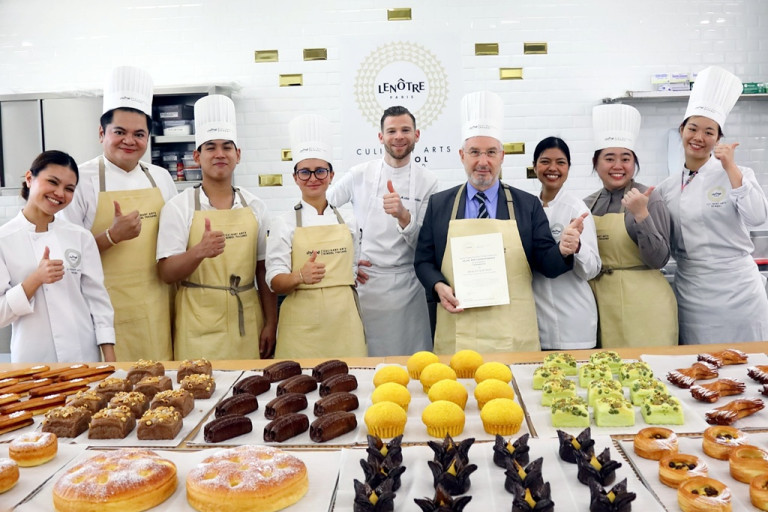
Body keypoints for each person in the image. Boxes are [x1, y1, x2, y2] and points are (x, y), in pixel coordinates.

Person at [414, 91, 581, 354]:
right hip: (458, 329)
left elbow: (546, 265)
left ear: (502, 156)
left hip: (513, 332)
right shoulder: (440, 204)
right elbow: (423, 261)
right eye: (474, 152)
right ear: (462, 155)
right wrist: (437, 285)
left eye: (491, 152)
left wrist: (563, 250)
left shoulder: (527, 205)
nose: (483, 161)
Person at [60, 66, 176, 361]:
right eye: (119, 132)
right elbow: (67, 256)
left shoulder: (161, 178)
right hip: (101, 314)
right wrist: (111, 236)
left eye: (139, 134)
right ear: (102, 133)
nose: (129, 140)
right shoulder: (79, 180)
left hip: (156, 310)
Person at [156, 95, 277, 360]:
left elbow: (263, 269)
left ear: (238, 155)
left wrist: (271, 323)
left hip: (247, 319)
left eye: (227, 147)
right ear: (197, 157)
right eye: (210, 147)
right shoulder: (179, 207)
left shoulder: (255, 206)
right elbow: (165, 273)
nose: (220, 154)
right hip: (197, 323)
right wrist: (198, 252)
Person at [657, 66, 768, 344]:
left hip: (739, 291)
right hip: (693, 293)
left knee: (750, 361)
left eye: (709, 132)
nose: (699, 137)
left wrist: (730, 167)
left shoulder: (738, 174)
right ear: (681, 130)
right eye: (692, 128)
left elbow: (757, 218)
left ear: (718, 139)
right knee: (698, 363)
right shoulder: (666, 188)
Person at [326, 106, 438, 356]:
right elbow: (322, 207)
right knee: (366, 359)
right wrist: (347, 259)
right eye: (392, 131)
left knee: (412, 362)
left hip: (409, 286)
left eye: (405, 130)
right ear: (381, 137)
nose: (399, 136)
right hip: (368, 284)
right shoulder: (359, 174)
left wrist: (403, 215)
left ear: (417, 135)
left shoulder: (428, 181)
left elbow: (425, 243)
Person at [266, 114, 367, 358]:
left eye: (320, 171)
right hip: (301, 329)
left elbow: (353, 269)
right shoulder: (283, 223)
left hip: (345, 323)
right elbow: (274, 282)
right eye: (305, 172)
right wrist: (300, 276)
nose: (313, 178)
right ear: (295, 178)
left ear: (331, 175)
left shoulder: (349, 221)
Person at [0, 151, 116, 363]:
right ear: (29, 178)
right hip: (32, 358)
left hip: (83, 354)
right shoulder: (4, 240)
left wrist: (110, 356)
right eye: (52, 182)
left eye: (69, 188)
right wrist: (36, 279)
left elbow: (98, 301)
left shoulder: (80, 237)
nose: (60, 193)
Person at [584, 104, 678, 348]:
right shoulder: (588, 204)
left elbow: (659, 259)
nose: (618, 165)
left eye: (626, 159)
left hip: (646, 307)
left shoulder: (649, 198)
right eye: (609, 158)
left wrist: (641, 214)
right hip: (603, 306)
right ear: (596, 163)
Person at [531, 137, 601, 350]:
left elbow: (592, 269)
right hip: (538, 319)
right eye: (545, 161)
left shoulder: (577, 209)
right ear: (534, 166)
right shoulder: (529, 207)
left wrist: (577, 247)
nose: (553, 168)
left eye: (560, 162)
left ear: (568, 168)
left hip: (574, 319)